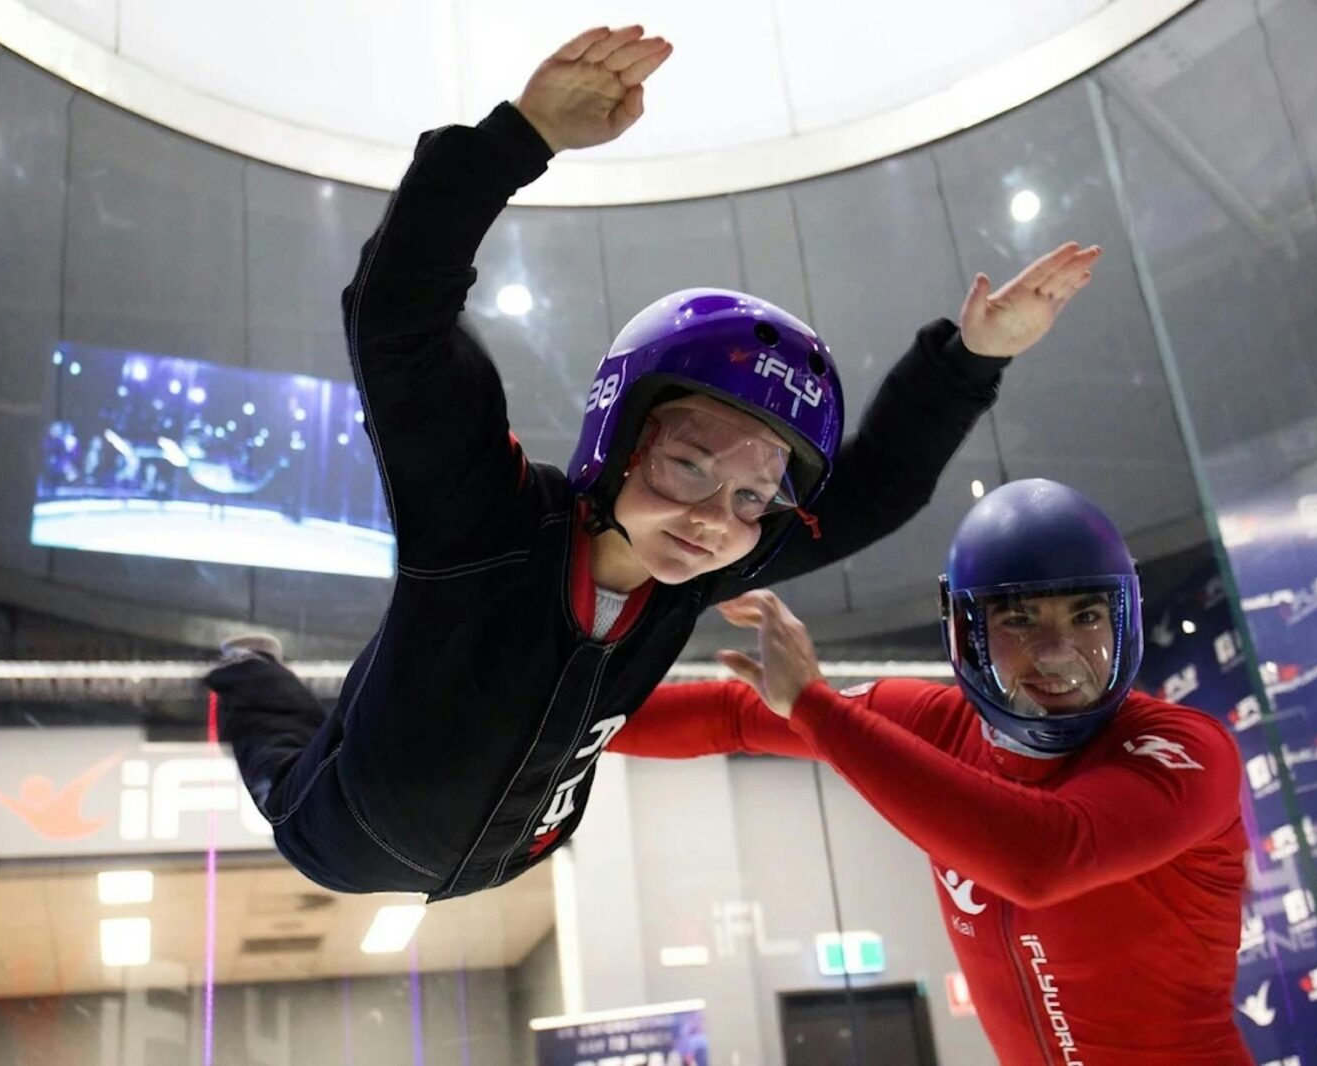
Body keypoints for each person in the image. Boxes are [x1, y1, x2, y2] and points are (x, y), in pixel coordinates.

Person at [205, 26, 1102, 902]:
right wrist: (520, 139)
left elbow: (871, 495)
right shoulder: (487, 516)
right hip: (341, 834)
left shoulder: (694, 575)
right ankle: (247, 664)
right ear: (617, 438)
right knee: (282, 752)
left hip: (513, 855)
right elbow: (395, 318)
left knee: (371, 704)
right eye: (687, 466)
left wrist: (971, 360)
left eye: (753, 496)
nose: (716, 517)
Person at [611, 479, 1251, 1065]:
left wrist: (815, 707)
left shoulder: (1184, 748)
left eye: (1085, 616)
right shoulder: (936, 725)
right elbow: (730, 713)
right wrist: (536, 732)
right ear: (967, 631)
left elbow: (1042, 857)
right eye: (1019, 618)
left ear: (1123, 617)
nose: (1058, 653)